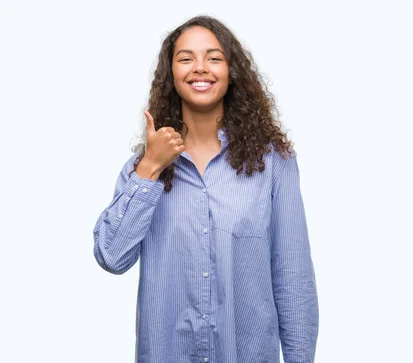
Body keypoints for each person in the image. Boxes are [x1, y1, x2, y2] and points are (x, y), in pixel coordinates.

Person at [93, 15, 318, 363]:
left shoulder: (273, 162)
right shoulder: (144, 168)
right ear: (172, 76)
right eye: (186, 58)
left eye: (214, 58)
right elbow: (111, 257)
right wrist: (151, 168)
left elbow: (292, 276)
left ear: (232, 72)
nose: (200, 68)